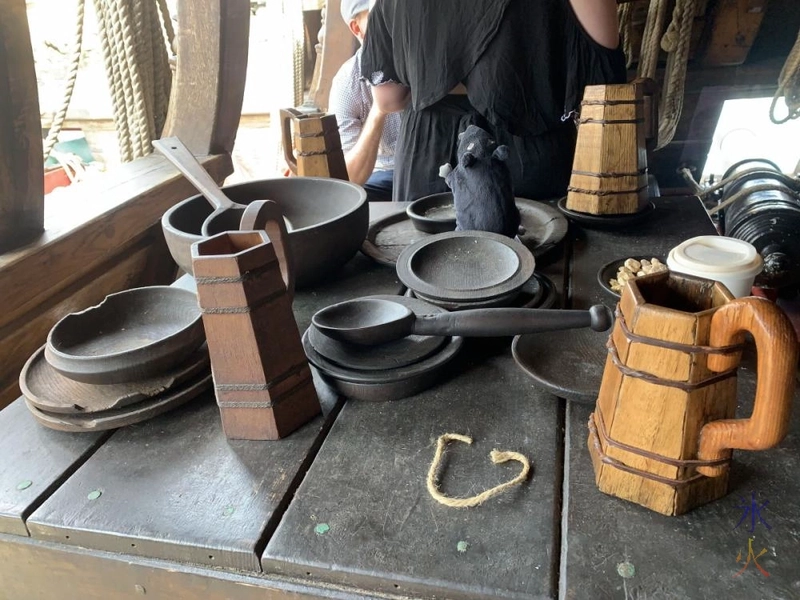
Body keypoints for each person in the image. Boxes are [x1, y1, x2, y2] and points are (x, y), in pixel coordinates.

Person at [360, 0, 627, 203]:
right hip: (525, 141)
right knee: (542, 269)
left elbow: (389, 99)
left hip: (427, 154)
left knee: (424, 266)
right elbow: (603, 70)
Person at [327, 0, 401, 202]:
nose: (391, 24)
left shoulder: (424, 63)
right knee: (344, 201)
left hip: (435, 171)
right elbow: (350, 177)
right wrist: (380, 109)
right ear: (356, 27)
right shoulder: (347, 84)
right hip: (382, 176)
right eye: (379, 18)